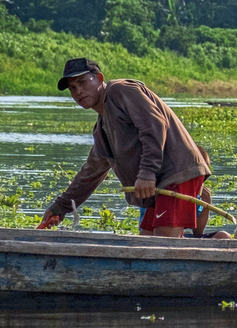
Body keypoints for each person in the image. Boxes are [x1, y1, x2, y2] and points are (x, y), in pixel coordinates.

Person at [37, 59, 211, 238]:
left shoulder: (120, 90)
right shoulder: (102, 129)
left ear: (99, 78)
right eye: (72, 88)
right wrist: (60, 207)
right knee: (147, 240)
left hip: (177, 172)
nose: (78, 91)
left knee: (162, 245)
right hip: (158, 186)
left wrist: (146, 173)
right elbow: (90, 172)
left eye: (82, 82)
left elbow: (154, 126)